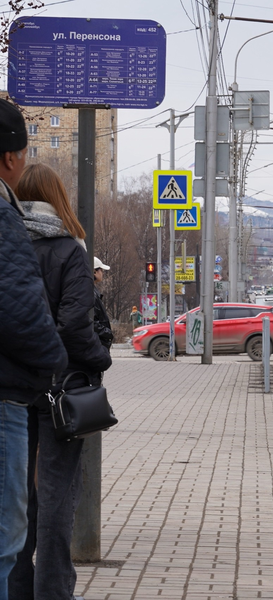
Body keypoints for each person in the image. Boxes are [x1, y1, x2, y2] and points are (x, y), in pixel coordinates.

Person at [9, 163, 112, 600]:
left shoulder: (7, 242)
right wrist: (98, 358)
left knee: (14, 496)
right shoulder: (70, 250)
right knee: (55, 495)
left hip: (12, 387)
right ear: (57, 198)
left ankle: (16, 587)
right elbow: (73, 325)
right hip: (61, 390)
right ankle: (53, 591)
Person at [0, 99, 68, 600]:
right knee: (6, 534)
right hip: (7, 396)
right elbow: (22, 313)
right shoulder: (5, 218)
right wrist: (56, 363)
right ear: (10, 159)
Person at [93, 257, 113, 350]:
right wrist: (107, 333)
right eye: (101, 270)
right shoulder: (90, 293)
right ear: (94, 272)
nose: (102, 273)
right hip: (97, 343)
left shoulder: (93, 291)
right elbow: (92, 321)